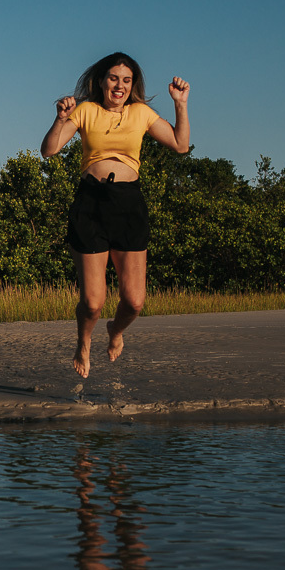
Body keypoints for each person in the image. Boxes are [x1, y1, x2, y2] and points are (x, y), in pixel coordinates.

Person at [41, 52, 190, 377]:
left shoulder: (141, 113)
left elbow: (180, 145)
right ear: (101, 81)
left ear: (132, 84)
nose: (119, 85)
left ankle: (116, 331)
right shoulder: (86, 110)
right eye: (113, 78)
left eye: (126, 80)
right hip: (90, 204)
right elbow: (49, 150)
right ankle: (83, 341)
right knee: (93, 302)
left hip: (128, 205)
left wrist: (180, 103)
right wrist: (61, 118)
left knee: (135, 301)